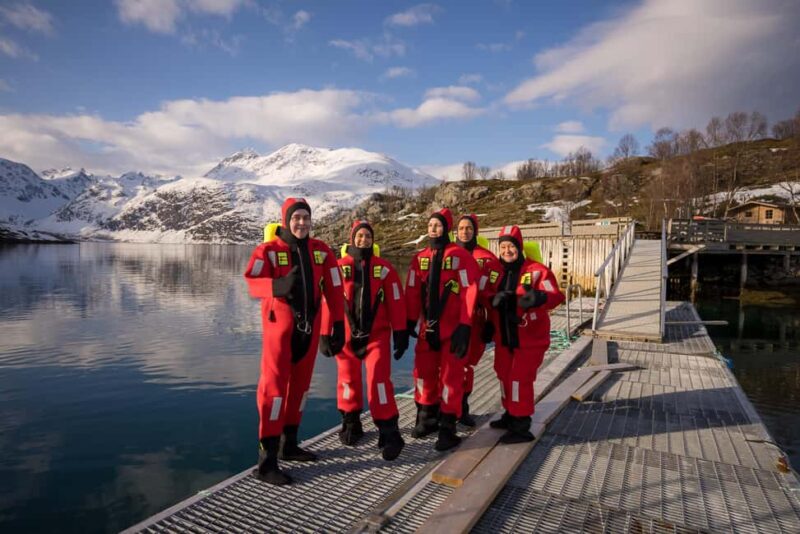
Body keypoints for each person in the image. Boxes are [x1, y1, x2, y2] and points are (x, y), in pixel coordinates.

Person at [243, 197, 345, 485]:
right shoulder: (269, 251)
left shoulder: (321, 251)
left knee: (300, 389)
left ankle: (289, 445)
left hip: (309, 331)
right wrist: (276, 285)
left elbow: (335, 287)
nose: (301, 223)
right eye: (296, 217)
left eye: (306, 218)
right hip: (280, 334)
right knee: (273, 392)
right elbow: (251, 281)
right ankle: (267, 462)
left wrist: (337, 324)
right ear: (286, 220)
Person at [320, 219, 409, 461]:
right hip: (346, 338)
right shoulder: (338, 268)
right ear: (352, 238)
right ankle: (351, 423)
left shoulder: (385, 269)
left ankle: (389, 432)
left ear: (373, 240)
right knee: (347, 380)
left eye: (368, 236)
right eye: (360, 235)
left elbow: (396, 300)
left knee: (379, 381)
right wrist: (325, 333)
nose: (364, 240)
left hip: (376, 337)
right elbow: (328, 300)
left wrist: (400, 332)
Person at [406, 208, 479, 451]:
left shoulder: (460, 256)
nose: (433, 229)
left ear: (446, 228)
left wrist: (465, 325)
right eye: (430, 225)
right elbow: (412, 292)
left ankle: (448, 428)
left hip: (453, 329)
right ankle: (426, 418)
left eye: (437, 225)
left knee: (451, 379)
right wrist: (407, 323)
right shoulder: (420, 258)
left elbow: (469, 291)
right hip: (427, 330)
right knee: (423, 374)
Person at [488, 225, 564, 443]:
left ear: (519, 247)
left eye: (511, 246)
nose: (507, 251)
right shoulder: (495, 272)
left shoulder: (537, 271)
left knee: (519, 379)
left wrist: (539, 297)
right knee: (503, 374)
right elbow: (484, 292)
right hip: (504, 336)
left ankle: (521, 425)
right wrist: (492, 300)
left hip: (529, 338)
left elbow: (556, 296)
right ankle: (509, 413)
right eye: (503, 247)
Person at [454, 214, 503, 426]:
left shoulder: (487, 259)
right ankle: (443, 408)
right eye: (461, 228)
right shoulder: (447, 254)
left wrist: (491, 322)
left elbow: (494, 291)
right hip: (449, 318)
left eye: (469, 228)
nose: (465, 232)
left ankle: (462, 408)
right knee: (445, 366)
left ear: (475, 231)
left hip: (475, 318)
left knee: (466, 364)